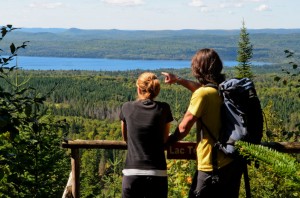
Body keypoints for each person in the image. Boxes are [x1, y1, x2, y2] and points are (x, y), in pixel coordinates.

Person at [162, 48, 243, 198]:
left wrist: (168, 142)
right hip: (232, 162)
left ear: (198, 69)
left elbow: (184, 126)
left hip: (211, 164)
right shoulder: (222, 90)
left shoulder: (203, 94)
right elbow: (199, 89)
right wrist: (178, 80)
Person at [119, 72, 173, 198]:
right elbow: (165, 138)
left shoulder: (127, 107)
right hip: (157, 172)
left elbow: (125, 137)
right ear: (156, 90)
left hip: (132, 172)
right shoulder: (164, 108)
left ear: (138, 88)